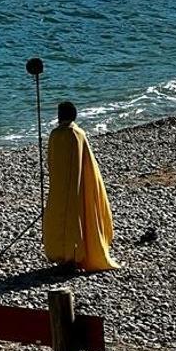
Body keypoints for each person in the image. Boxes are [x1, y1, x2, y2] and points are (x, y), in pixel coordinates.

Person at [42, 102, 120, 271]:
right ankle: (74, 255)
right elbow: (87, 163)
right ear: (74, 116)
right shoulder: (77, 134)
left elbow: (51, 161)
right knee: (75, 218)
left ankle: (60, 254)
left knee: (57, 216)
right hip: (75, 186)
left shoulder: (54, 135)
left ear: (59, 116)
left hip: (57, 186)